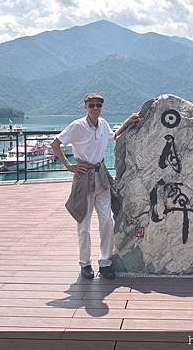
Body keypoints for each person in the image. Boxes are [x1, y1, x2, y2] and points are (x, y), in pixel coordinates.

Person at [50, 93, 140, 280]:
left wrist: (128, 121)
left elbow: (113, 136)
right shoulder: (78, 126)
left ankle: (105, 262)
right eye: (92, 105)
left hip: (101, 177)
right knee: (83, 223)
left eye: (98, 105)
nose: (95, 108)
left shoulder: (103, 124)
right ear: (85, 106)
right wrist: (69, 165)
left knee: (107, 221)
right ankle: (85, 264)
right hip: (84, 178)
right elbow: (55, 143)